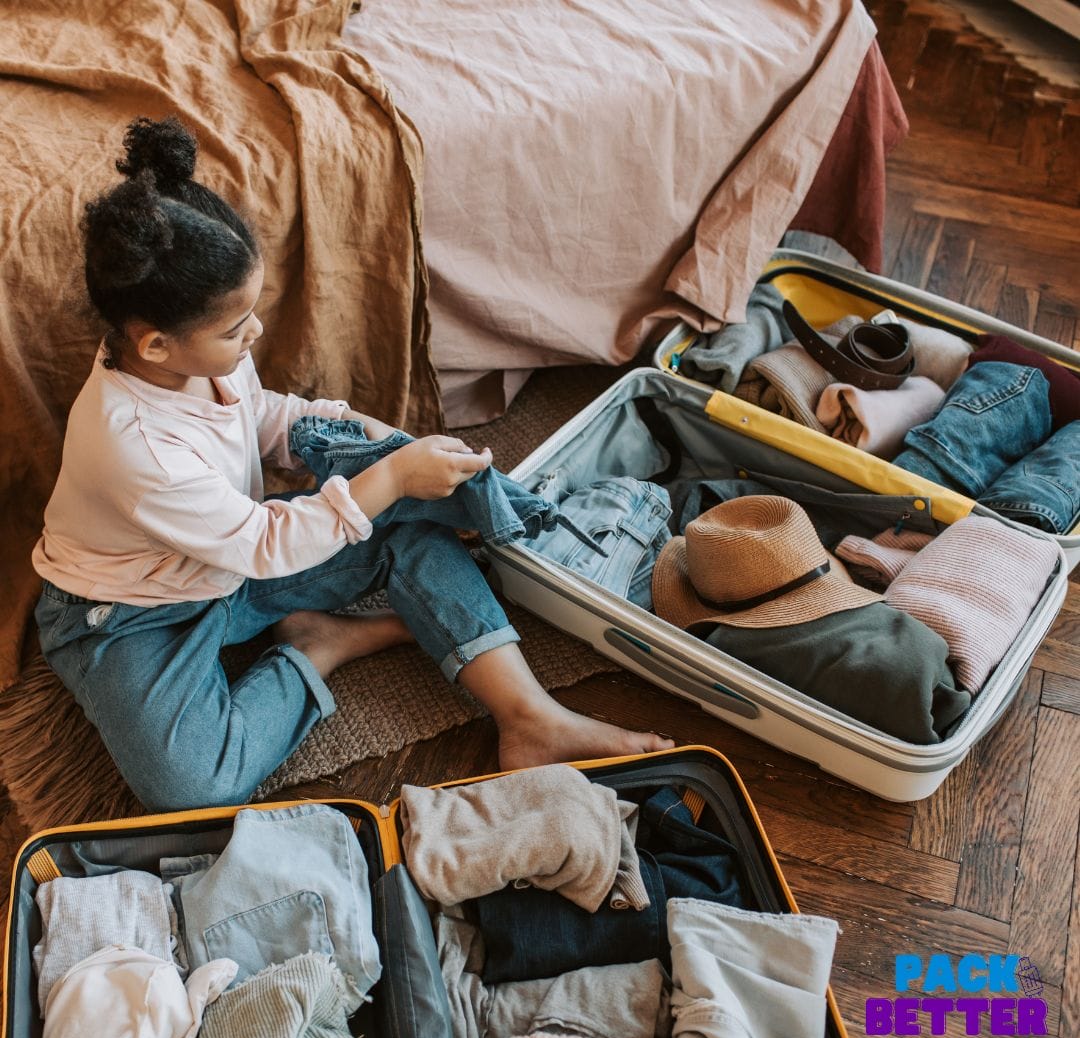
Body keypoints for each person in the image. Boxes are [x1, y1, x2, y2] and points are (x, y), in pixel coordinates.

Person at [32, 117, 671, 812]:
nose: (255, 335)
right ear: (155, 346)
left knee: (405, 525)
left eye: (253, 312)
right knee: (190, 783)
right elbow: (267, 543)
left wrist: (356, 438)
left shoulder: (198, 362)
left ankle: (529, 716)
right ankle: (319, 648)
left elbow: (263, 417)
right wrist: (390, 477)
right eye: (234, 328)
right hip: (133, 611)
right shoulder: (134, 446)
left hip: (230, 564)